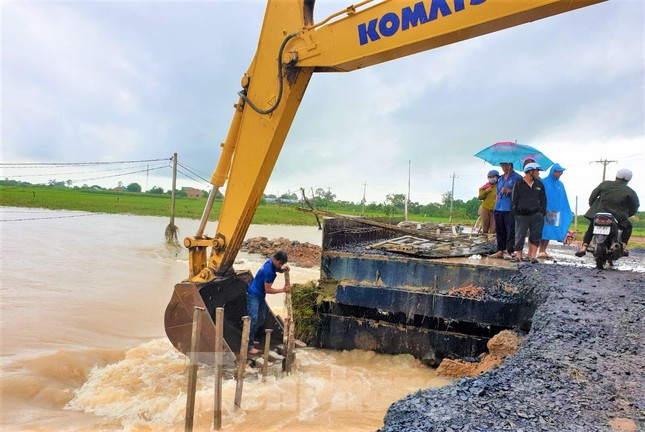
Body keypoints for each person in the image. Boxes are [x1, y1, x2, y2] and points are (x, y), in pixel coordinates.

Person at [575, 169, 640, 257]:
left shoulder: (605, 184)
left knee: (591, 228)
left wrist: (594, 209)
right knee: (628, 227)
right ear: (628, 180)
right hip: (618, 217)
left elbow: (592, 197)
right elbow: (635, 206)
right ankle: (623, 247)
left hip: (599, 213)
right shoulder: (630, 191)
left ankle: (584, 247)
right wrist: (628, 215)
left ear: (617, 176)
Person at [247, 250, 291, 354]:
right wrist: (283, 290)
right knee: (253, 320)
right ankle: (249, 346)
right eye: (280, 263)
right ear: (275, 259)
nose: (281, 265)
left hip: (260, 295)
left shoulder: (270, 262)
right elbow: (268, 290)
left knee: (261, 318)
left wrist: (282, 269)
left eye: (282, 264)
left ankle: (252, 338)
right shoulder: (269, 272)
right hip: (253, 295)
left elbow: (277, 268)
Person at [510, 162, 547, 263]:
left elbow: (543, 199)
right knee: (520, 234)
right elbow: (514, 200)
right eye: (537, 171)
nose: (538, 173)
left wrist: (541, 212)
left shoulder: (539, 184)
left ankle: (533, 257)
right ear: (530, 171)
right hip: (522, 214)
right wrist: (515, 213)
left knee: (536, 235)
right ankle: (518, 255)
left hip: (536, 214)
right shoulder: (518, 183)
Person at [538, 163, 573, 259]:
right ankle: (540, 250)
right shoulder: (544, 181)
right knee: (544, 231)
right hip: (545, 210)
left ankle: (544, 250)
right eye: (558, 171)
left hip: (555, 212)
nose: (560, 173)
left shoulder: (560, 184)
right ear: (553, 171)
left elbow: (563, 198)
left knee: (550, 231)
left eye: (561, 172)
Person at [491, 162, 523, 259]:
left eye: (506, 165)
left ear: (510, 165)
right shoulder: (500, 178)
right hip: (499, 207)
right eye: (502, 165)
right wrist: (495, 206)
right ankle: (500, 250)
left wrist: (509, 191)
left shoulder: (517, 178)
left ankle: (509, 251)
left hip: (510, 208)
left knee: (510, 230)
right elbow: (497, 193)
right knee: (500, 230)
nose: (504, 168)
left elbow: (521, 193)